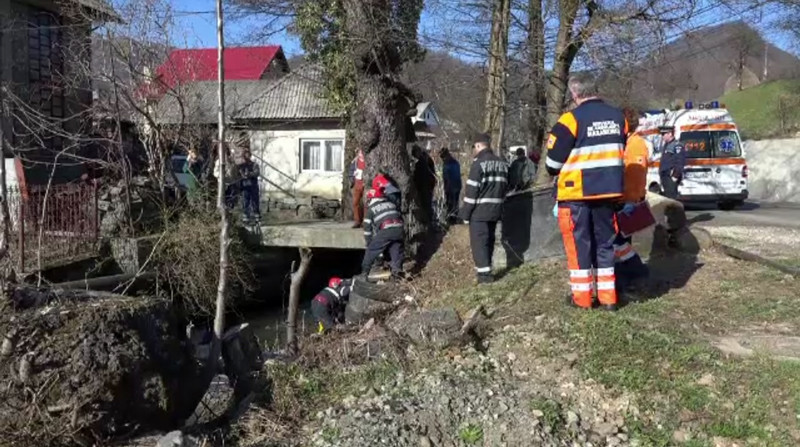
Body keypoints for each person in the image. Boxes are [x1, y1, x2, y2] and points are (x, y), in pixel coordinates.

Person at [545, 73, 626, 311]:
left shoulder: (570, 120)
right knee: (605, 245)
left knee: (579, 247)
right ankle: (609, 299)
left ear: (574, 93)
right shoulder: (618, 117)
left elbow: (552, 165)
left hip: (576, 195)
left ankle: (582, 300)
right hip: (608, 193)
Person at [459, 132, 509, 284]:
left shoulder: (478, 164)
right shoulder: (502, 163)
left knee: (479, 242)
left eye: (474, 147)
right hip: (496, 209)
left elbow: (471, 191)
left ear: (479, 145)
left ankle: (484, 277)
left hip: (479, 211)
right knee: (490, 240)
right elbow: (507, 185)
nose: (473, 150)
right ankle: (488, 270)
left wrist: (465, 214)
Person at [614, 108, 650, 291]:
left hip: (627, 202)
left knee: (619, 242)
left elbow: (636, 176)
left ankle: (633, 274)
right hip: (622, 201)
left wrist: (630, 201)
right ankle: (629, 275)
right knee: (620, 243)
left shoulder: (635, 144)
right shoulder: (628, 142)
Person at [361, 187, 405, 279]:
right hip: (399, 229)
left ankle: (364, 273)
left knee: (371, 251)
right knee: (396, 249)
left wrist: (369, 243)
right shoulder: (391, 204)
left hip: (386, 230)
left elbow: (367, 229)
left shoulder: (371, 210)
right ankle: (397, 273)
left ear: (371, 199)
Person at [658, 126, 686, 200]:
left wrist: (675, 176)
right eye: (662, 134)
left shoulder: (677, 145)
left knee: (671, 199)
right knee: (668, 198)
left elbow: (680, 161)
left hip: (670, 176)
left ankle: (674, 211)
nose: (662, 136)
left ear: (670, 134)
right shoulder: (666, 145)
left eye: (664, 134)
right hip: (665, 176)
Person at [213, 144, 241, 210]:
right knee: (223, 200)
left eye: (226, 152)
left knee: (231, 200)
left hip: (232, 184)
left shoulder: (232, 161)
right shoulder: (218, 162)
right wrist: (220, 175)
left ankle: (230, 211)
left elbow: (235, 173)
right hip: (222, 184)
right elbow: (215, 172)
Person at [239, 149, 261, 224]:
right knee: (245, 202)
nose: (246, 157)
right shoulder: (241, 166)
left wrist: (249, 174)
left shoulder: (255, 165)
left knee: (255, 201)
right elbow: (239, 175)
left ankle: (257, 217)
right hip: (245, 186)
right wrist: (242, 175)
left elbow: (257, 173)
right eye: (245, 155)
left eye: (247, 155)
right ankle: (246, 218)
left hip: (253, 185)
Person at [440, 148, 462, 221]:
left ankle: (451, 218)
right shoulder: (456, 163)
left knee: (451, 203)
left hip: (451, 187)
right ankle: (454, 216)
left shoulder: (447, 164)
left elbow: (447, 178)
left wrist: (446, 188)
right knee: (455, 203)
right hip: (457, 185)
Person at [349, 149, 366, 228]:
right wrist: (353, 175)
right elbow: (350, 172)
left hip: (365, 184)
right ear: (358, 154)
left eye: (362, 152)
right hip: (357, 184)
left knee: (366, 203)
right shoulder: (355, 162)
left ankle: (365, 221)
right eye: (360, 152)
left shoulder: (368, 161)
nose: (361, 154)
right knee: (355, 203)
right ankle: (357, 221)